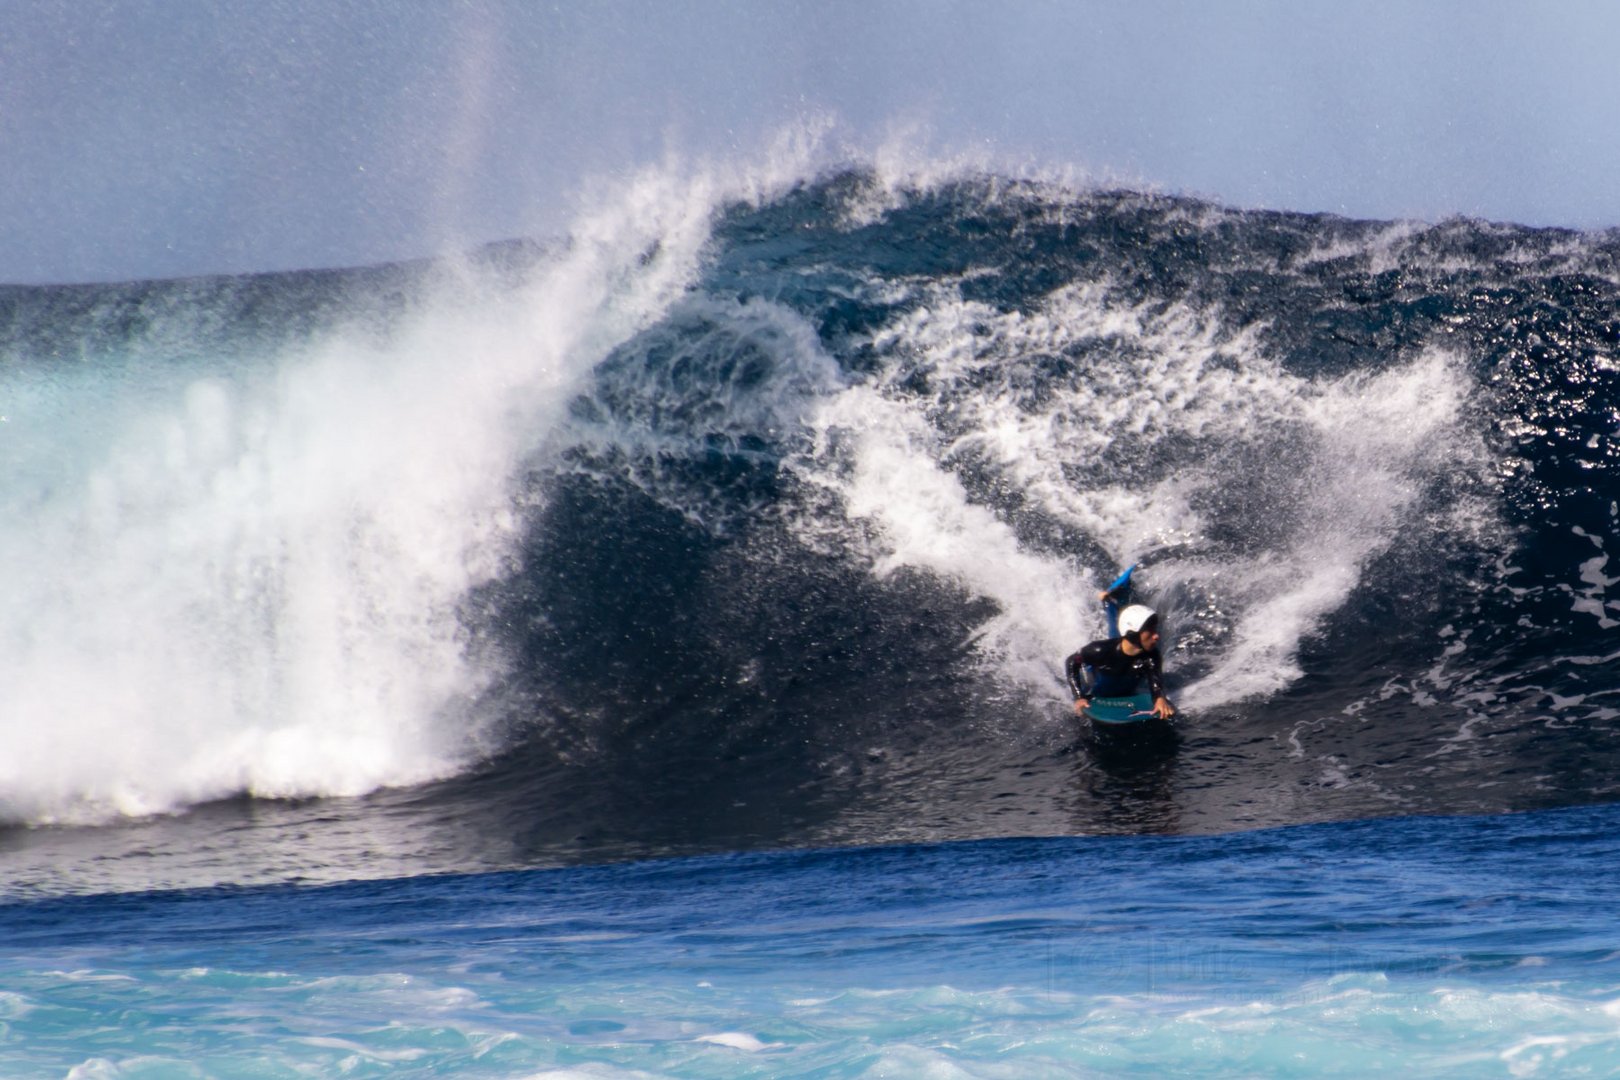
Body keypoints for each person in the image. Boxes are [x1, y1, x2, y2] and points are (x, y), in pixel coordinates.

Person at [1065, 579, 1176, 720]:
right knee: (1114, 625)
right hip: (1098, 676)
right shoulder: (1100, 650)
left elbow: (1155, 682)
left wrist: (1159, 698)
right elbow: (1072, 661)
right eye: (1150, 631)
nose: (1156, 636)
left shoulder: (1151, 656)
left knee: (1116, 629)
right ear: (1132, 634)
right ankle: (1106, 599)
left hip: (1124, 648)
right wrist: (1079, 697)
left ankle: (1114, 598)